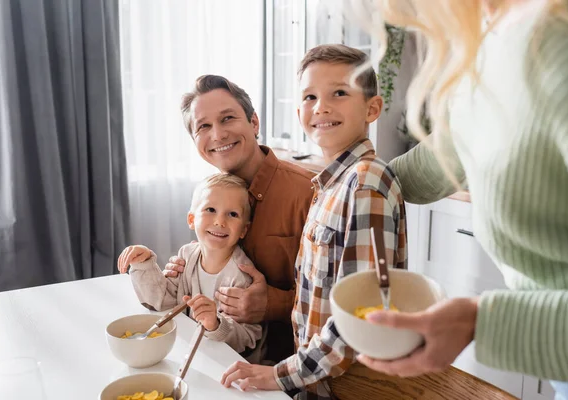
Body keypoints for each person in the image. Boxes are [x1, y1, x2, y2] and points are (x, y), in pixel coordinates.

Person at [350, 1, 568, 398]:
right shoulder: (489, 42)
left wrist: (478, 322)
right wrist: (353, 185)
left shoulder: (560, 44)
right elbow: (443, 157)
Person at [220, 44, 407, 399]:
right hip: (317, 383)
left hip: (347, 388)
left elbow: (360, 316)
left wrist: (279, 375)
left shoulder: (365, 183)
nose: (321, 106)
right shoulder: (331, 185)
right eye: (309, 97)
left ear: (372, 108)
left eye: (339, 92)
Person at [166, 75, 315, 363]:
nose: (218, 135)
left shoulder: (307, 192)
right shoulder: (211, 196)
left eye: (228, 118)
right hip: (218, 355)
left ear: (254, 123)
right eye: (204, 126)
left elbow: (342, 299)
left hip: (292, 364)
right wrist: (186, 270)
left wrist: (272, 304)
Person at [117, 173, 265, 362]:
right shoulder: (187, 255)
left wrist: (216, 324)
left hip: (228, 367)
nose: (220, 221)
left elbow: (249, 338)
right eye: (211, 209)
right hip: (193, 354)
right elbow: (162, 302)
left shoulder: (241, 276)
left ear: (244, 230)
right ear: (191, 219)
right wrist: (144, 263)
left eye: (232, 214)